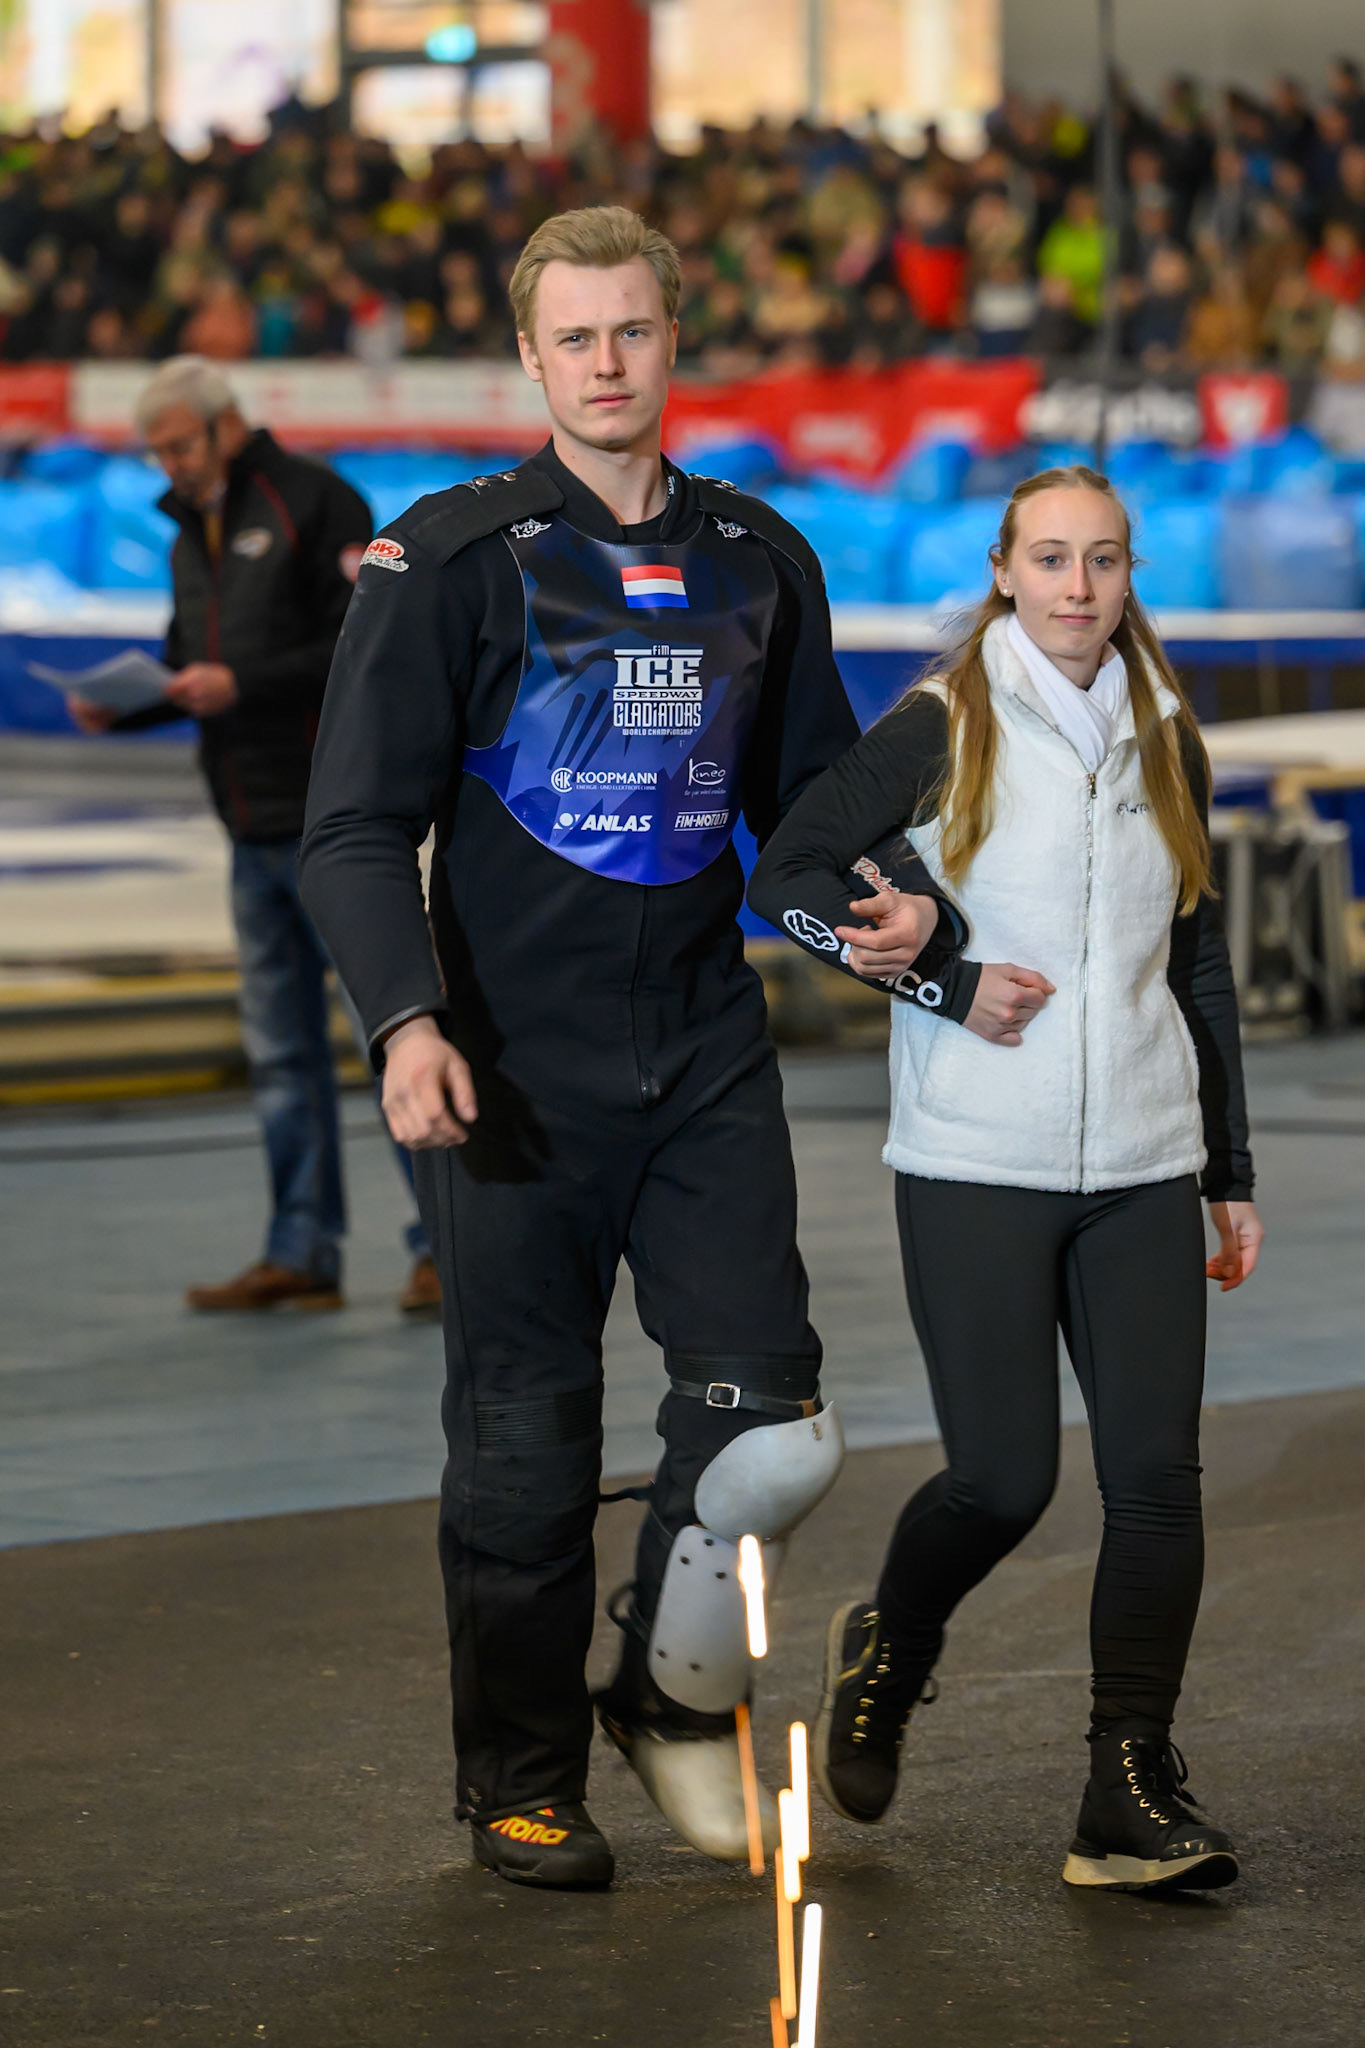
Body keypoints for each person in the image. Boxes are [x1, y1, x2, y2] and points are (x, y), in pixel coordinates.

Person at [297, 205, 959, 1891]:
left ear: (675, 339)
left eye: (634, 330)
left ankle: (665, 1697)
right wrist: (406, 1022)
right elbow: (353, 830)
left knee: (768, 1426)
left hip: (707, 1059)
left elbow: (808, 814)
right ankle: (518, 1779)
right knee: (524, 1445)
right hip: (508, 1078)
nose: (607, 362)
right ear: (532, 357)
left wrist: (894, 909)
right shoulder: (449, 559)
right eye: (575, 336)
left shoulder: (761, 557)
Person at [749, 465, 1264, 1896]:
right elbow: (783, 873)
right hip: (978, 1157)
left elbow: (1198, 958)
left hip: (1145, 1161)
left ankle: (1124, 1787)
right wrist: (940, 976)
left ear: (1130, 573)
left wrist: (1226, 1164)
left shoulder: (1166, 731)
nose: (1077, 587)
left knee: (1156, 1482)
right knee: (1003, 1478)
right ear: (1002, 569)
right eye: (1049, 559)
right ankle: (891, 1644)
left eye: (1102, 560)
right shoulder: (944, 722)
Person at [71, 356, 438, 1318]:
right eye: (156, 451)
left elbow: (362, 646)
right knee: (280, 1056)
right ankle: (300, 1252)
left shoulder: (316, 503)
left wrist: (242, 685)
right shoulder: (187, 529)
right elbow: (192, 664)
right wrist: (134, 707)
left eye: (179, 445)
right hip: (248, 824)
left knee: (396, 1038)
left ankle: (445, 1247)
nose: (168, 465)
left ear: (225, 426)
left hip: (335, 830)